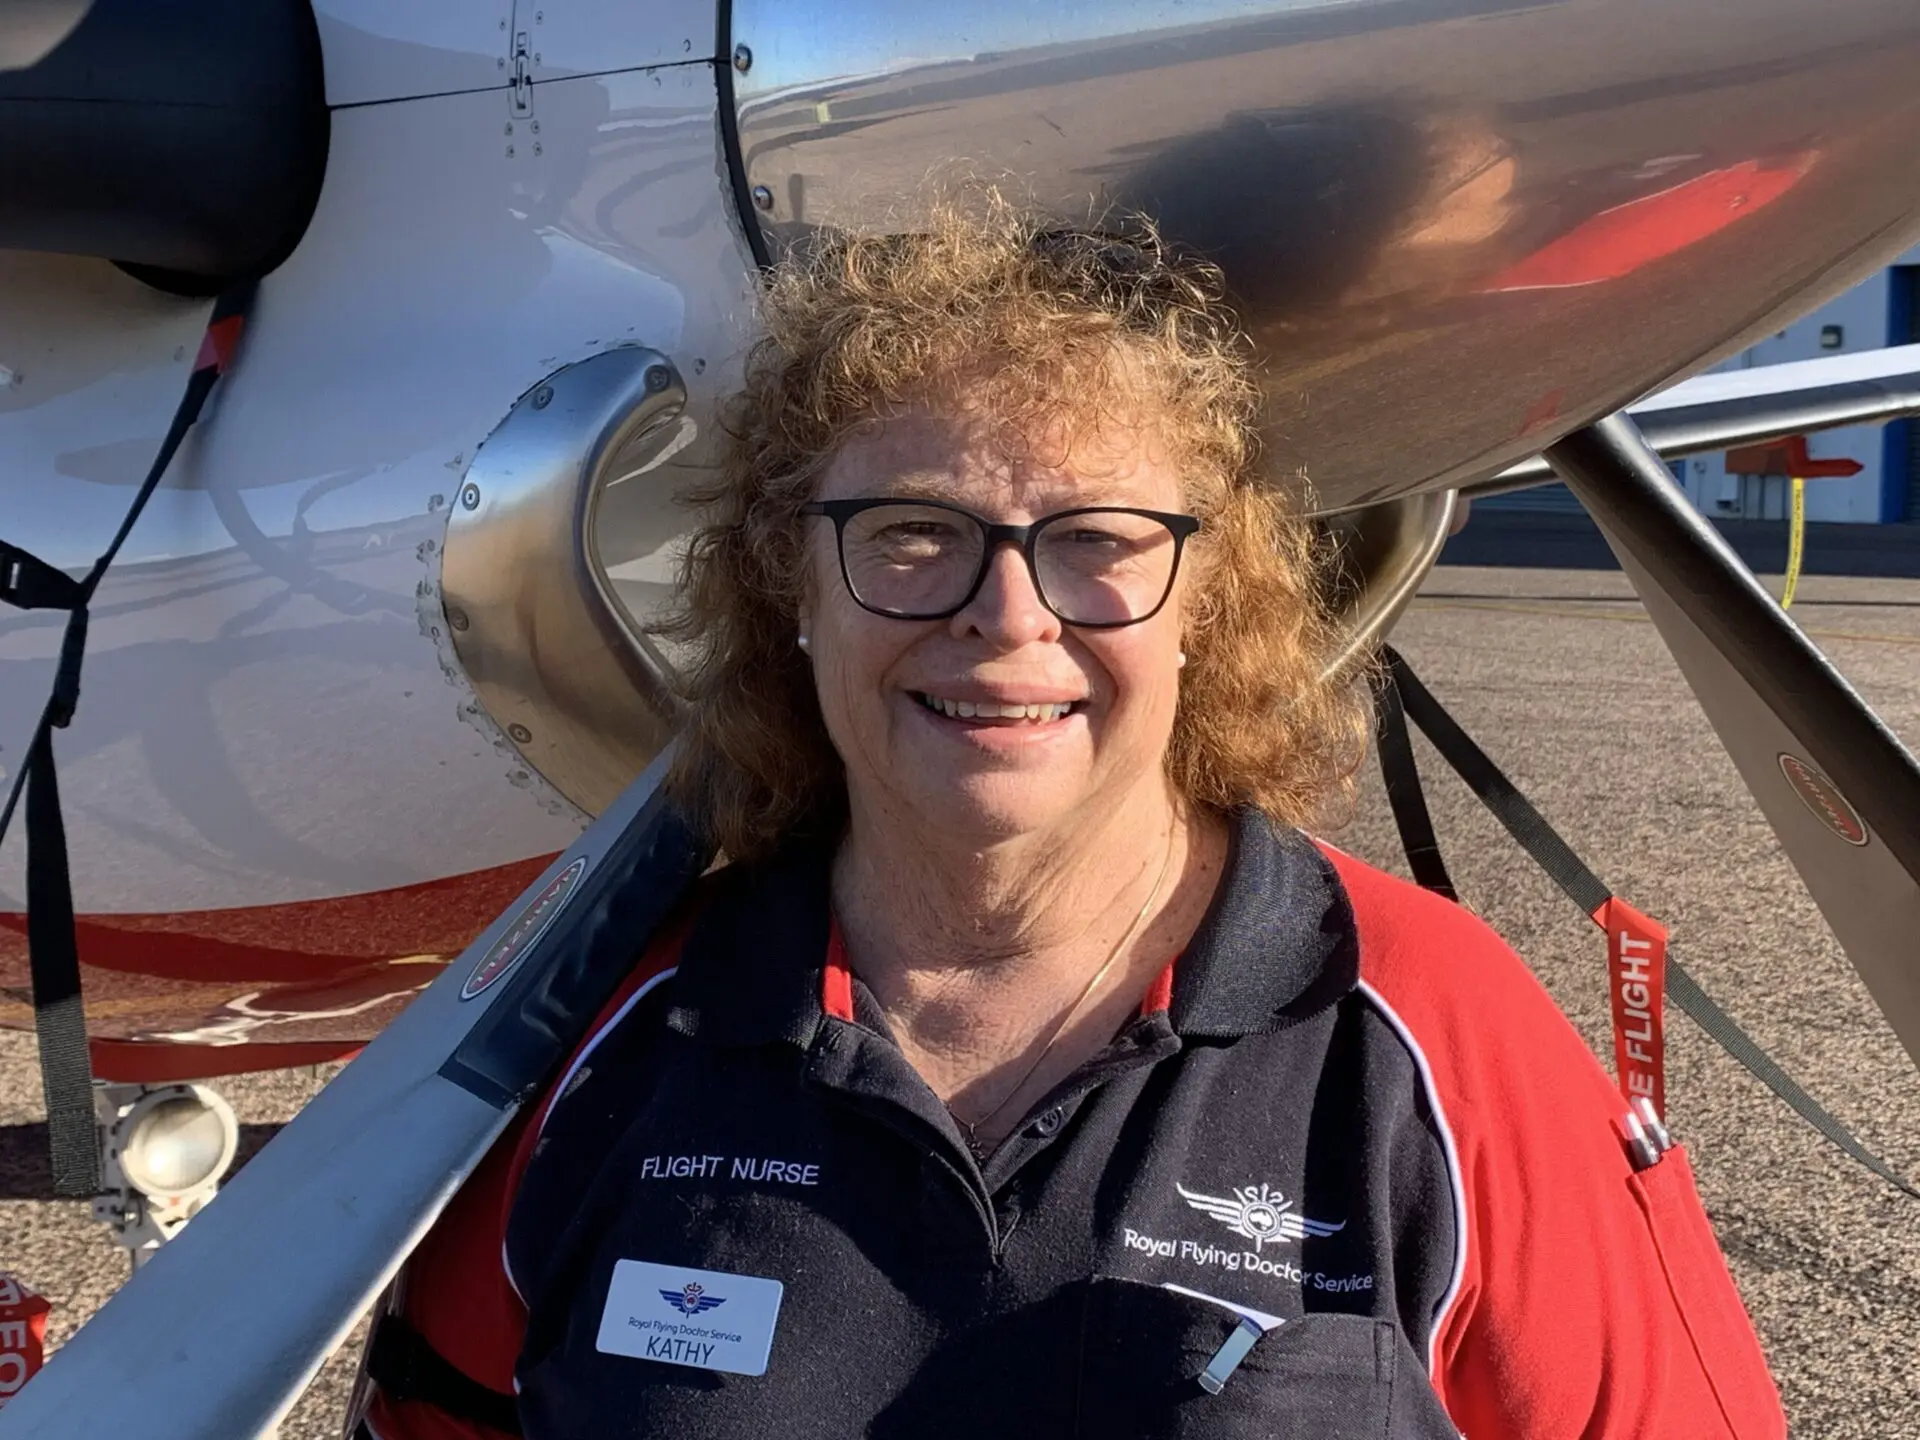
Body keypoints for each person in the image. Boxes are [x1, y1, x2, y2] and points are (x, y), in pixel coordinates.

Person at [355, 201, 1785, 1439]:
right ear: (791, 582)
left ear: (1206, 605)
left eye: (1099, 543)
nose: (1008, 617)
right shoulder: (611, 1039)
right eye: (913, 532)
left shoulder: (1427, 1029)